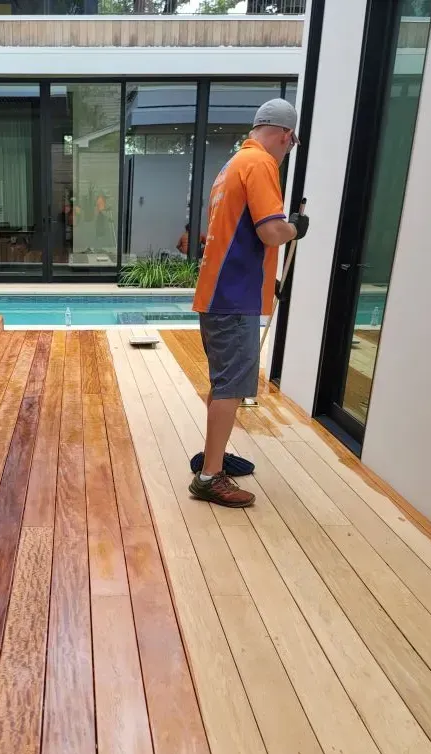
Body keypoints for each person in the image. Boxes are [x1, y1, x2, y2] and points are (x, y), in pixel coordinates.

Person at [189, 98, 309, 508]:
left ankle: (214, 456)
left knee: (225, 384)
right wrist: (297, 227)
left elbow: (235, 234)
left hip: (218, 293)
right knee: (231, 387)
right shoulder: (261, 165)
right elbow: (272, 233)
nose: (286, 150)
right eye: (289, 144)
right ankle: (209, 477)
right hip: (232, 296)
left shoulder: (231, 167)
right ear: (284, 135)